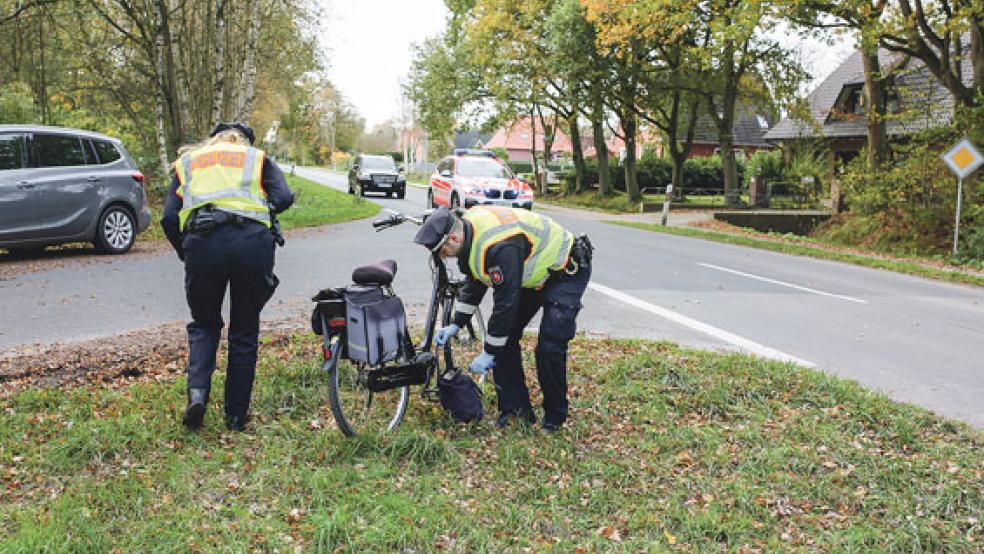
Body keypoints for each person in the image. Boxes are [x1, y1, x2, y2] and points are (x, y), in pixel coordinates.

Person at [161, 122, 294, 431]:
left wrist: (186, 251)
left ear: (213, 139)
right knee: (244, 330)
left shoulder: (190, 162)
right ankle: (235, 415)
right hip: (252, 245)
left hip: (203, 244)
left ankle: (197, 395)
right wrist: (260, 211)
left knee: (204, 324)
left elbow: (168, 217)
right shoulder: (256, 158)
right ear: (244, 140)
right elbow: (284, 197)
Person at [414, 205, 593, 432]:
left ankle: (554, 417)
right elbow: (476, 279)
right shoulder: (471, 233)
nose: (442, 257)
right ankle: (516, 410)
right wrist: (456, 323)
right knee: (504, 341)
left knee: (550, 346)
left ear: (454, 237)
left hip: (566, 270)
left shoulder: (500, 246)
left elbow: (506, 304)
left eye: (442, 251)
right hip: (532, 272)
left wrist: (489, 351)